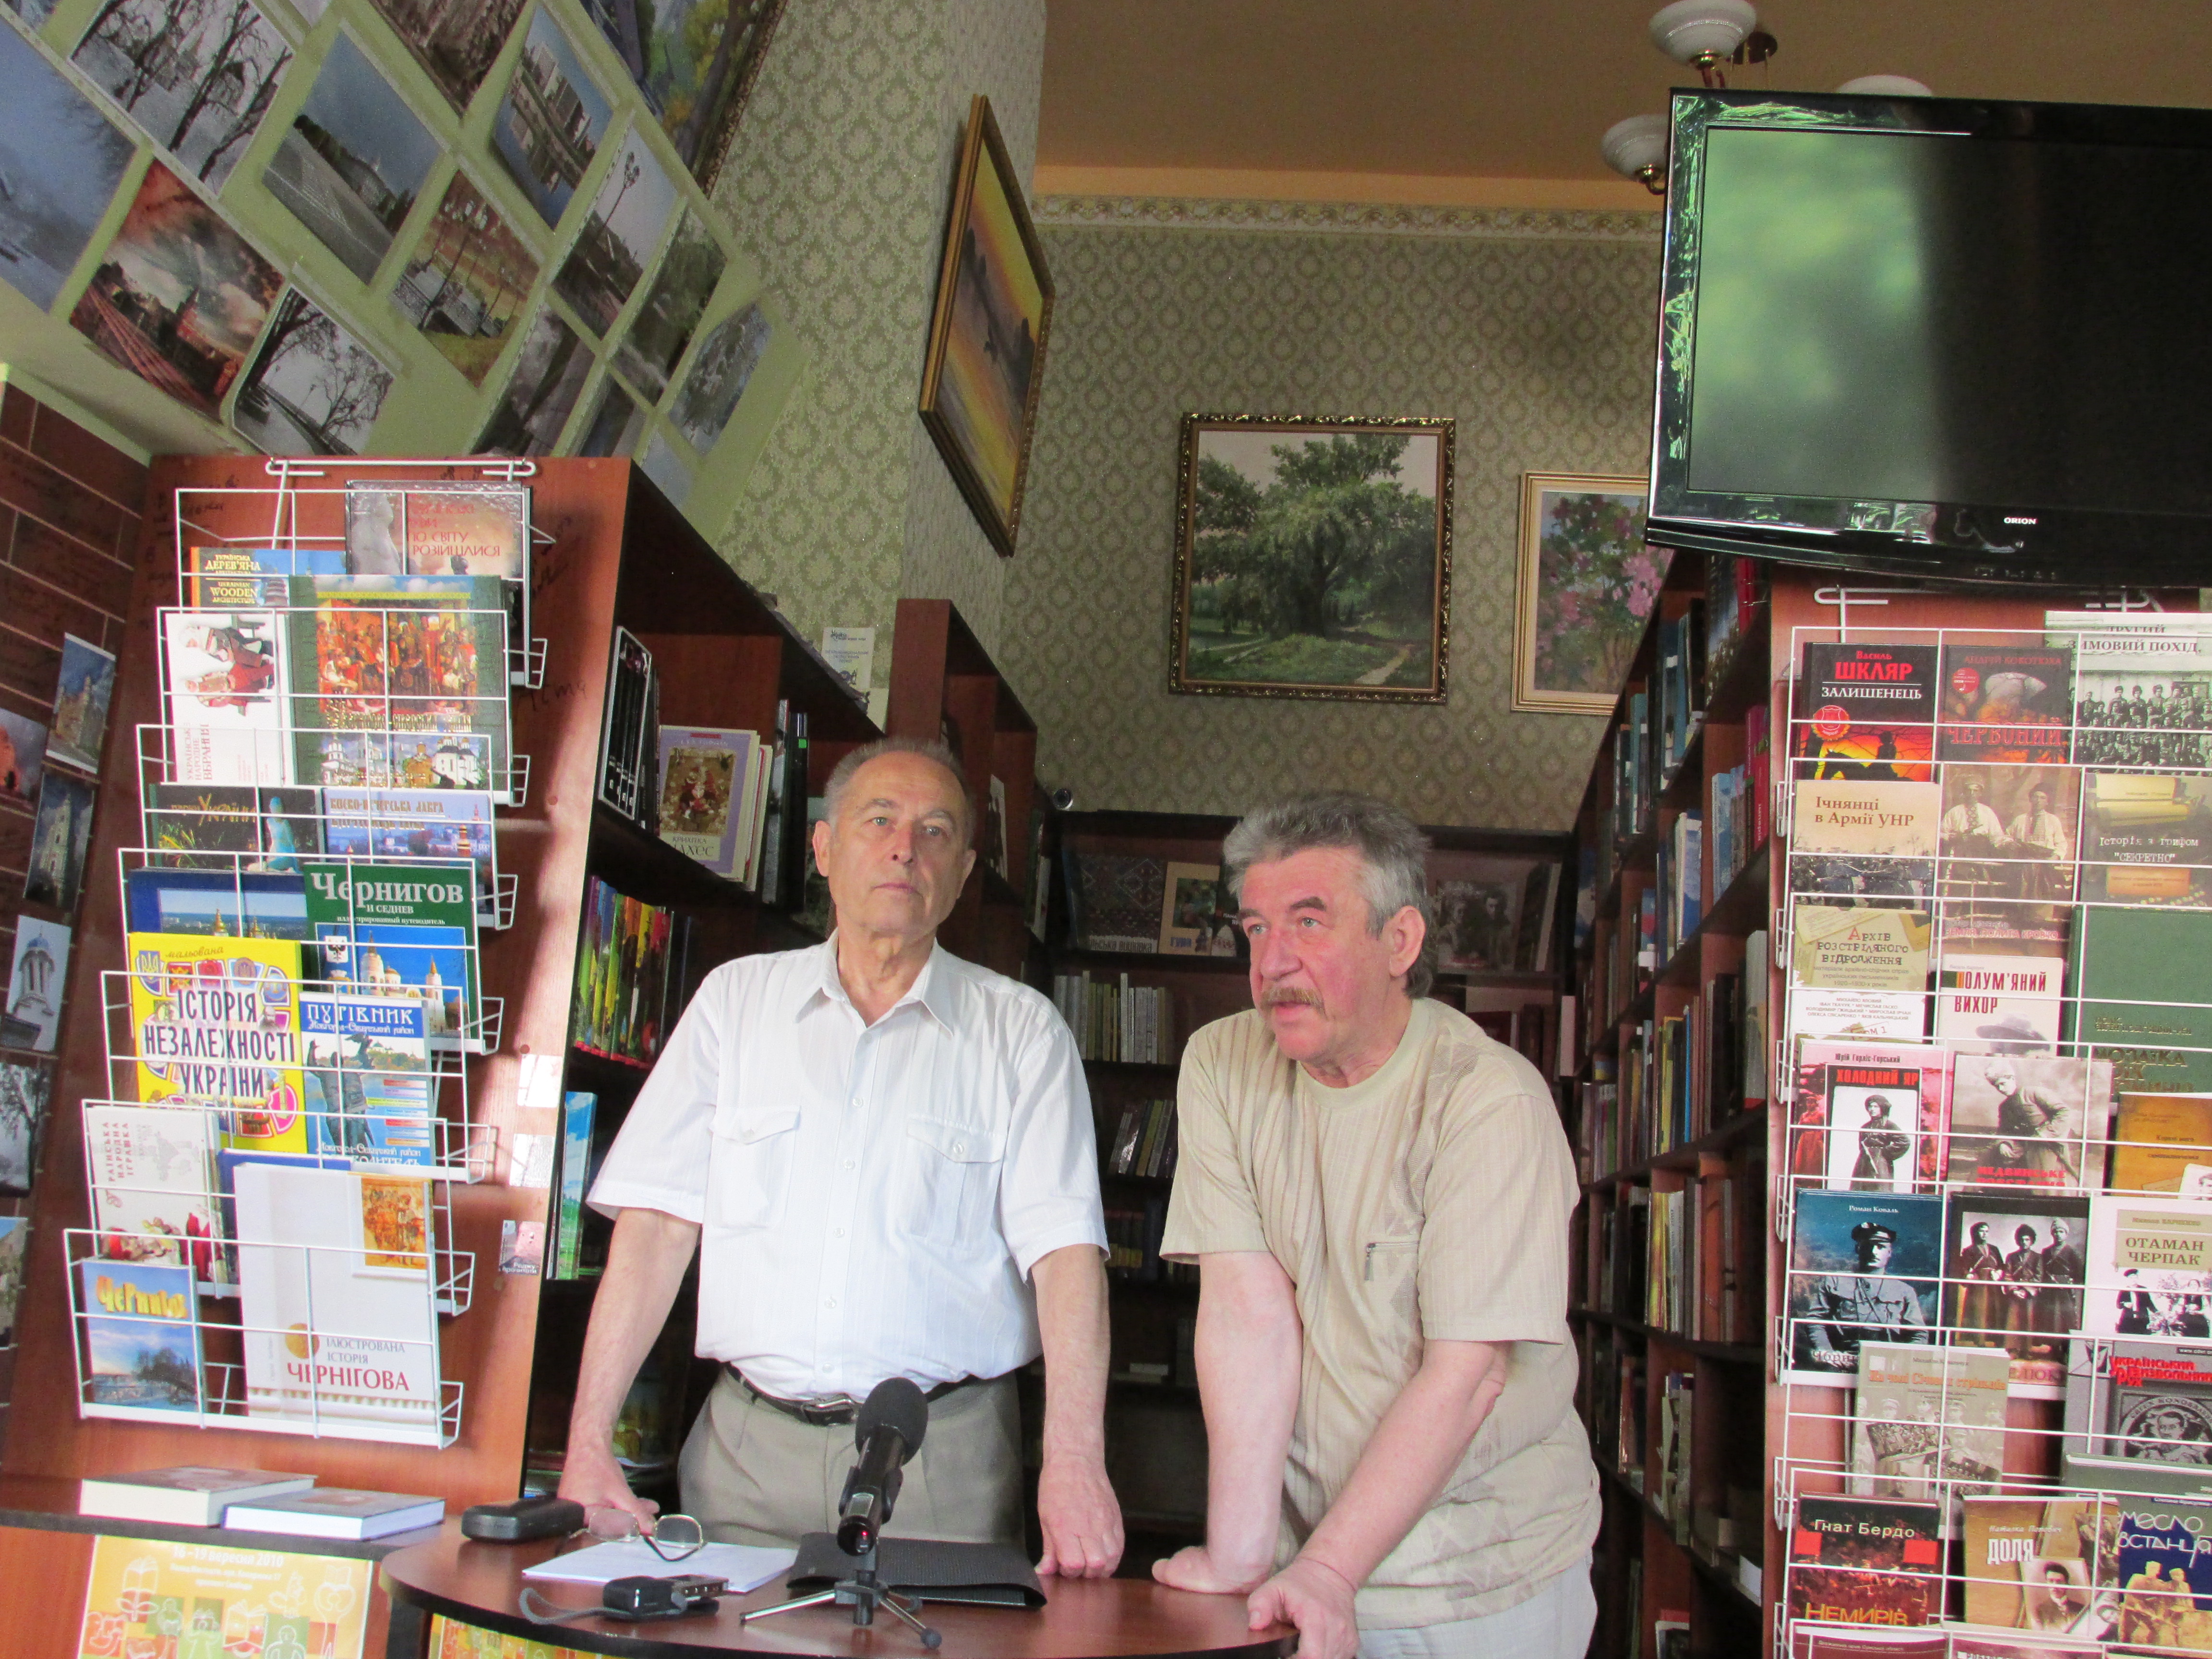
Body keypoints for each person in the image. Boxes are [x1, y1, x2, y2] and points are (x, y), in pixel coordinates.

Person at [558, 737, 1123, 1575]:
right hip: (746, 1458)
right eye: (879, 821)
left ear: (963, 873)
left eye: (935, 831)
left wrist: (1075, 1461)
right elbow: (654, 1234)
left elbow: (1066, 1258)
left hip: (943, 1463)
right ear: (822, 848)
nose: (905, 848)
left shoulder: (1022, 1032)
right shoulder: (734, 1005)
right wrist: (586, 1441)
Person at [1151, 793, 1597, 1659]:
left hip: (1477, 1583)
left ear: (1400, 942)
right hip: (1300, 1573)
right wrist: (1243, 1554)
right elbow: (1245, 1315)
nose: (1273, 963)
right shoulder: (1220, 1063)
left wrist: (1331, 1570)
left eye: (1308, 923)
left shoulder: (1489, 1099)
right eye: (1255, 929)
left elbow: (1469, 1376)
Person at [1801, 1222, 1933, 1372]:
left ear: (1890, 1252)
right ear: (1858, 1249)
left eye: (1881, 1247)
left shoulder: (1904, 1291)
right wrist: (1827, 1354)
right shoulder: (1835, 1282)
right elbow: (1815, 1321)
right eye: (1868, 1246)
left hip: (1888, 1363)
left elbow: (1919, 1334)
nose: (1873, 1252)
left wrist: (1902, 1362)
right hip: (1842, 1358)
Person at [1952, 1221, 2007, 1332]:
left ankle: (1993, 1336)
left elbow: (2002, 1266)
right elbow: (1964, 1268)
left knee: (1994, 1308)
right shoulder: (1969, 1251)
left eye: (1987, 1232)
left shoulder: (1994, 1249)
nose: (1985, 1234)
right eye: (1982, 1231)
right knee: (1979, 1310)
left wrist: (1998, 1273)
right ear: (1975, 1233)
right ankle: (1977, 1336)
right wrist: (1970, 1275)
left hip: (1993, 1283)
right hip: (1978, 1285)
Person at [1848, 1095, 1910, 1190]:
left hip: (1881, 1164)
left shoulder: (1889, 1125)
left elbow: (1904, 1142)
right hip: (1864, 1163)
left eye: (1876, 1107)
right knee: (1861, 1188)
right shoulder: (1865, 1127)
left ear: (1882, 1108)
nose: (1872, 1109)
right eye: (1870, 1106)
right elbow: (1861, 1147)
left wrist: (1884, 1153)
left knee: (1880, 1188)